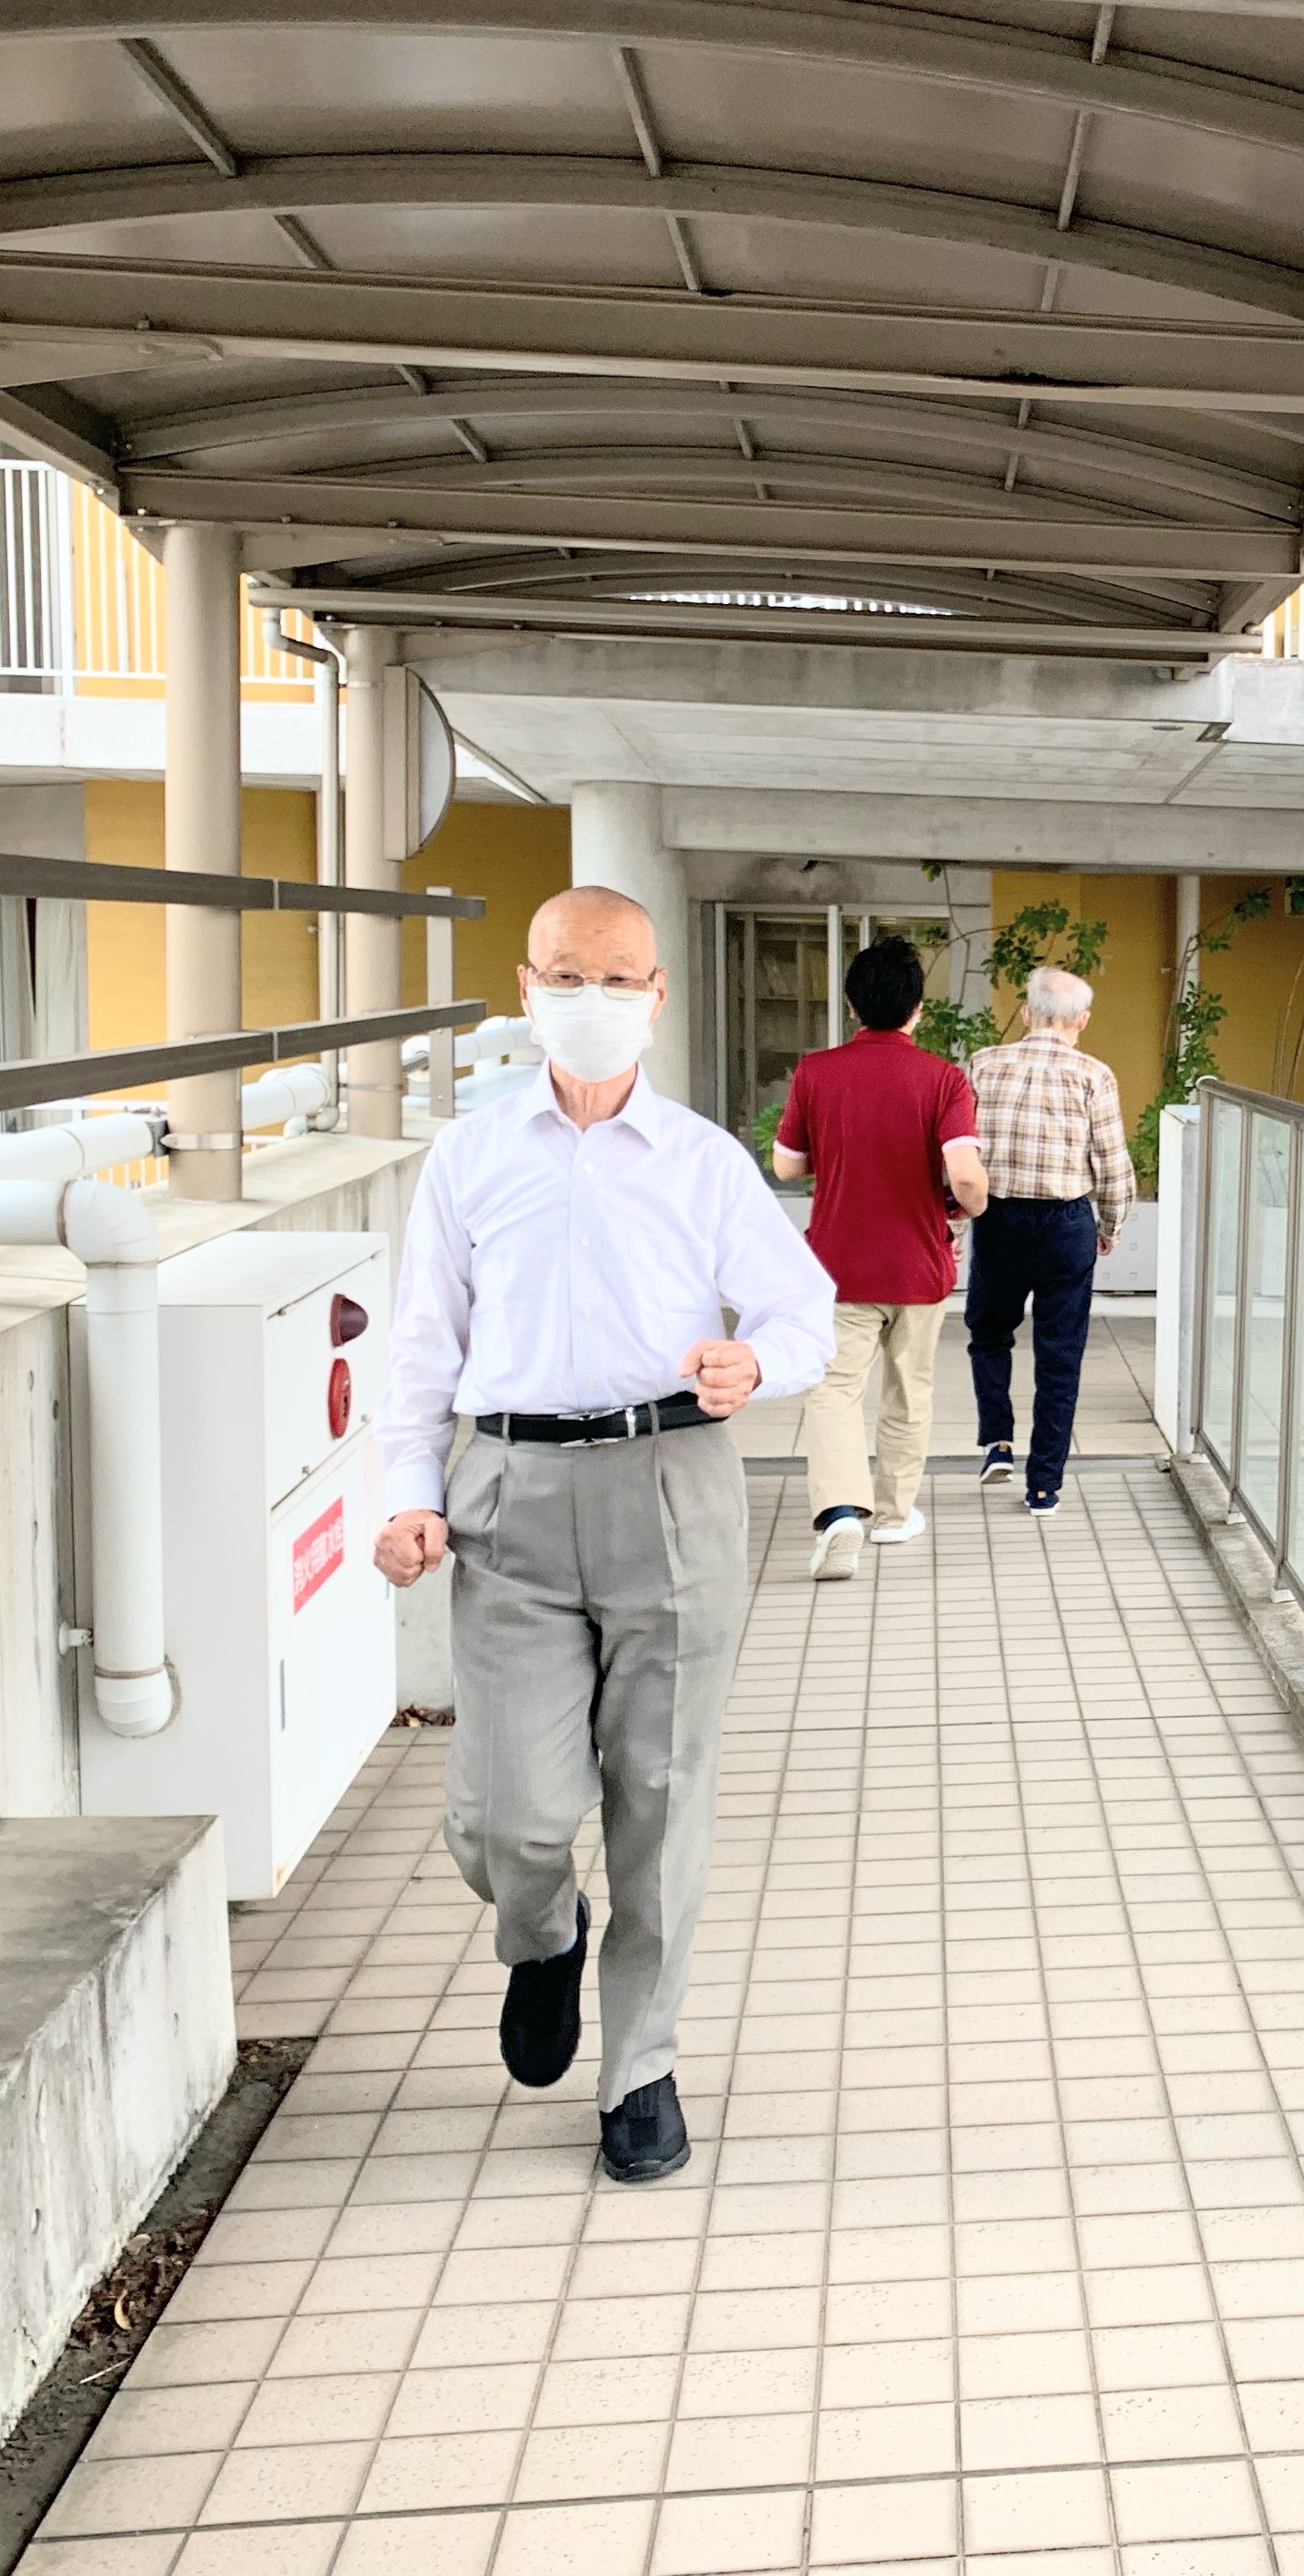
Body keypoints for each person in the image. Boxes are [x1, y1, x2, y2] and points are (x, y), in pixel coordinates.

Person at [372, 884, 835, 2186]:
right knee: (507, 1817)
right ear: (527, 988)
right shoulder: (469, 1158)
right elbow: (422, 1346)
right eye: (568, 976)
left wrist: (756, 1363)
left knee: (661, 1796)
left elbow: (803, 1310)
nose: (594, 999)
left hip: (671, 1482)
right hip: (509, 1490)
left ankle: (640, 2067)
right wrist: (409, 1491)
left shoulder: (701, 1159)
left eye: (619, 978)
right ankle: (543, 1934)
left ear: (657, 995)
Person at [772, 937, 988, 1581]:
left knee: (835, 1389)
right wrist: (968, 1206)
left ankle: (841, 1513)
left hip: (838, 1266)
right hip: (918, 1265)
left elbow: (786, 1165)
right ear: (919, 1008)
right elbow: (965, 1174)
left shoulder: (816, 1072)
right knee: (909, 1389)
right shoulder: (943, 1079)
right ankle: (894, 1515)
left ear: (851, 1005)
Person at [965, 965, 1132, 1518]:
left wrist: (954, 1222)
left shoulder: (983, 1065)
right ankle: (1043, 1487)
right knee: (1060, 1355)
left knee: (989, 1331)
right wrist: (1110, 1225)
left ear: (1026, 1013)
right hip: (1065, 1224)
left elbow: (961, 1155)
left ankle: (997, 1439)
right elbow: (1112, 1163)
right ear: (1082, 1021)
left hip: (998, 1217)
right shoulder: (1094, 1075)